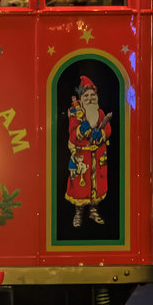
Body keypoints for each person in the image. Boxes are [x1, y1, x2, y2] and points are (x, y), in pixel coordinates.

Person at [65, 74, 112, 229]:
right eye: (87, 95)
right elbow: (73, 136)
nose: (90, 98)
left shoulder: (100, 114)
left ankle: (94, 211)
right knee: (80, 186)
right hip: (82, 158)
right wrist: (83, 128)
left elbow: (108, 130)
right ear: (82, 97)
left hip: (98, 156)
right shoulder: (75, 114)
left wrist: (101, 135)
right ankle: (78, 214)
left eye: (93, 95)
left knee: (97, 185)